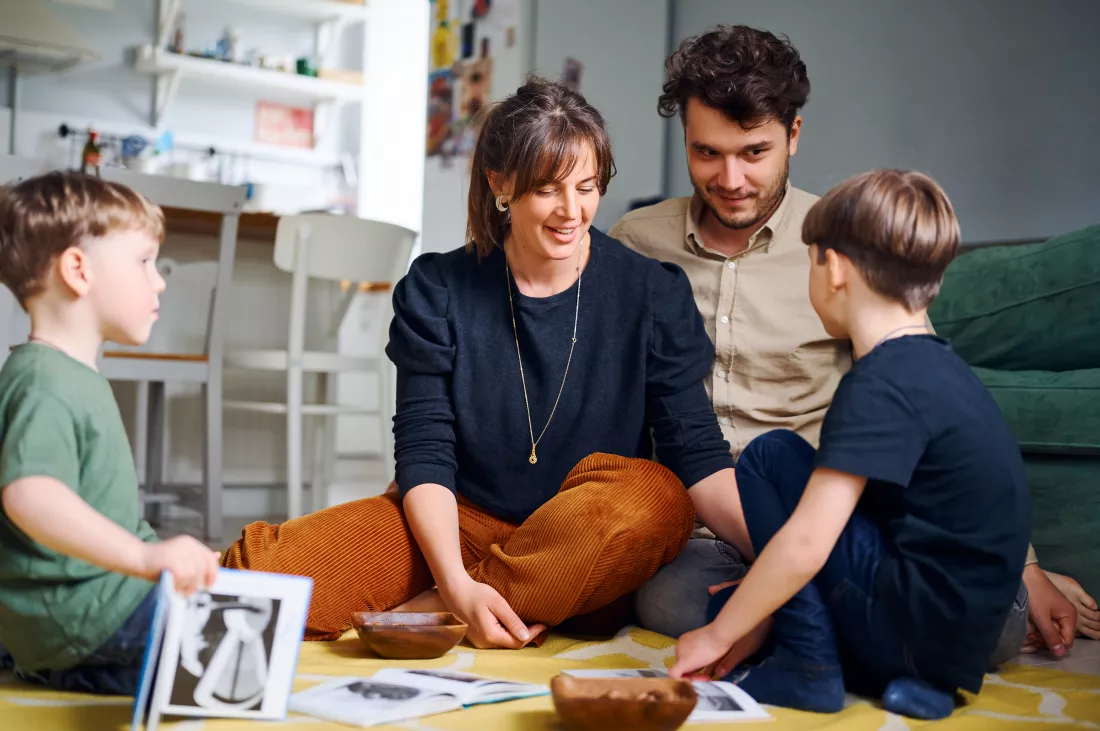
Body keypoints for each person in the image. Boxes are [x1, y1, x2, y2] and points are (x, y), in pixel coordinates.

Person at [220, 76, 753, 649]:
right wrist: (453, 581)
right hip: (456, 523)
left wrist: (785, 562)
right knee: (253, 573)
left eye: (588, 186)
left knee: (656, 497)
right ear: (500, 183)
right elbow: (425, 452)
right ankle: (478, 603)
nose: (572, 212)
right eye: (549, 189)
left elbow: (695, 454)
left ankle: (437, 611)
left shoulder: (651, 292)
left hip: (581, 536)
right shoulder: (436, 287)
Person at [610, 23, 1079, 660]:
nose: (730, 178)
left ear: (793, 136)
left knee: (985, 624)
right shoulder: (636, 242)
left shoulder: (841, 237)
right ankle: (820, 619)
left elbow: (937, 405)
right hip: (704, 532)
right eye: (707, 153)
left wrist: (1022, 566)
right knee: (665, 600)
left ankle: (789, 616)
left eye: (754, 152)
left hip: (828, 524)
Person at [668, 169, 1031, 719]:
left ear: (833, 267)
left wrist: (721, 632)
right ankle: (916, 681)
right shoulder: (942, 368)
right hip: (958, 650)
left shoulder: (878, 383)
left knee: (772, 457)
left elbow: (809, 541)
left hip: (912, 626)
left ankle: (806, 666)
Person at [0, 171, 220, 695]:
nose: (159, 280)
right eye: (145, 262)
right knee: (237, 656)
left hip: (89, 603)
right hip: (81, 618)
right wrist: (145, 558)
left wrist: (157, 553)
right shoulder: (44, 381)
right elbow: (30, 495)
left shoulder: (67, 373)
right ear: (78, 270)